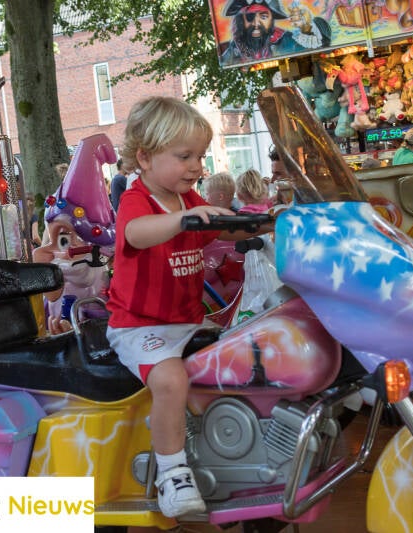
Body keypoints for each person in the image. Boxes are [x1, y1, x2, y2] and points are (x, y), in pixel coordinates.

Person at [107, 96, 266, 518]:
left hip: (187, 321)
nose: (196, 166)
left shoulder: (189, 199)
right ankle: (172, 474)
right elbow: (136, 233)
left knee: (247, 349)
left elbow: (224, 228)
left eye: (199, 156)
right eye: (184, 157)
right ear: (145, 157)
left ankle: (233, 451)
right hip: (140, 326)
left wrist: (270, 222)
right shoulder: (139, 200)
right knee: (171, 379)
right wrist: (182, 221)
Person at [219, 0, 307, 66]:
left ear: (271, 20)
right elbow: (225, 62)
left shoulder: (288, 41)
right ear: (241, 21)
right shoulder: (235, 47)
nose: (256, 23)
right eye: (250, 17)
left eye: (263, 17)